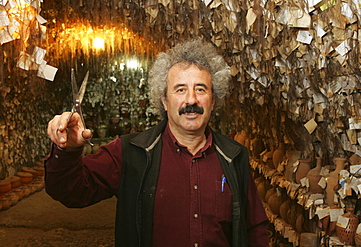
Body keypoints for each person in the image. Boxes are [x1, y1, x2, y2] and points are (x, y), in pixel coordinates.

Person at [45, 38, 269, 247]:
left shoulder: (234, 155)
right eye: (180, 90)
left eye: (200, 89)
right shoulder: (131, 153)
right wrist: (68, 151)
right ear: (164, 100)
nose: (191, 100)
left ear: (213, 100)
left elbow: (254, 227)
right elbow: (71, 192)